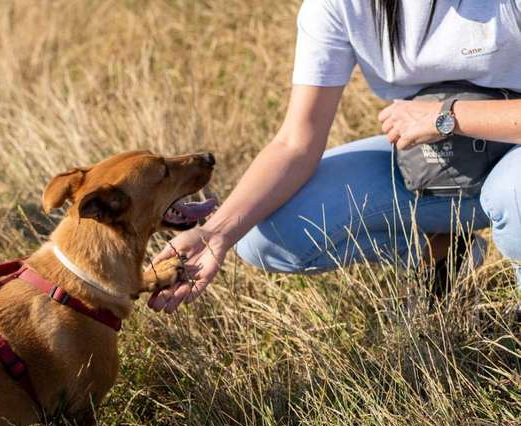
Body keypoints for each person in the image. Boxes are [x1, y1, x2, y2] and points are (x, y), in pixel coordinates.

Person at [149, 0, 521, 314]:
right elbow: (297, 141)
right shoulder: (339, 5)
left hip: (513, 156)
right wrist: (216, 233)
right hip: (423, 164)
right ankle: (444, 250)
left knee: (516, 194)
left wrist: (448, 117)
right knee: (264, 236)